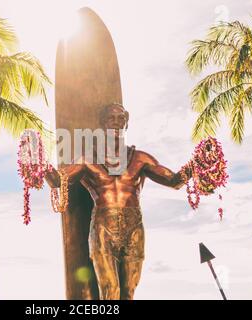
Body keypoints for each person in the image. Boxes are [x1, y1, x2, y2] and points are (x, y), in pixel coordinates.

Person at [45, 103, 192, 300]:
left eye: (120, 118)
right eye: (110, 119)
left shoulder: (140, 158)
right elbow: (58, 180)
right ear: (102, 123)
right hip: (103, 227)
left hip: (134, 226)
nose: (116, 122)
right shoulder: (88, 159)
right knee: (110, 291)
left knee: (128, 293)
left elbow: (174, 181)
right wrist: (37, 163)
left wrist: (197, 164)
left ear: (127, 122)